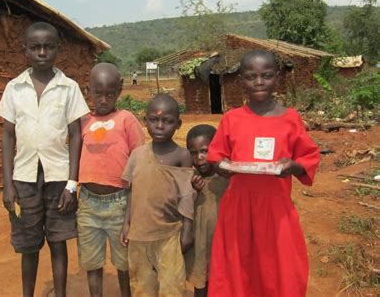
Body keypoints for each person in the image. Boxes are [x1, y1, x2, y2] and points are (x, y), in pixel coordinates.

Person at [207, 50, 320, 297]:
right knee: (238, 268)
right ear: (241, 81)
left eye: (266, 76)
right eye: (251, 77)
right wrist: (223, 167)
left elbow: (307, 159)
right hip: (238, 208)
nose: (259, 82)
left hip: (276, 210)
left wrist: (292, 166)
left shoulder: (290, 119)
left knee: (278, 269)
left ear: (277, 78)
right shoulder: (232, 119)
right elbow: (216, 156)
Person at [0, 22, 89, 297]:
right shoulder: (14, 88)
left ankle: (59, 294)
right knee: (29, 243)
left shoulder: (68, 87)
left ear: (58, 49)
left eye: (48, 47)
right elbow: (7, 136)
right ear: (24, 50)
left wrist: (72, 183)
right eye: (35, 47)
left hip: (59, 177)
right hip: (24, 177)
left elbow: (76, 135)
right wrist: (7, 184)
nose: (42, 52)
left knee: (58, 240)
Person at [77, 62, 145, 297]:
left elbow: (139, 162)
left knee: (123, 263)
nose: (104, 99)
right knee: (92, 262)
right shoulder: (82, 121)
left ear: (120, 91)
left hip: (119, 203)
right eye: (98, 94)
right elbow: (74, 155)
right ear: (88, 91)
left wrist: (131, 214)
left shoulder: (127, 120)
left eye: (110, 94)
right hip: (87, 203)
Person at [120, 93, 196, 296]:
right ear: (145, 122)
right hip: (139, 234)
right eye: (154, 120)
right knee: (142, 286)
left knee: (172, 286)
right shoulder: (137, 155)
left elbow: (187, 197)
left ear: (178, 124)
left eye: (167, 121)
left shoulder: (182, 156)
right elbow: (131, 191)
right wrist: (126, 224)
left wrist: (187, 228)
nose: (160, 126)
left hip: (170, 233)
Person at [185, 124, 229, 297]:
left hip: (223, 244)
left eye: (205, 151)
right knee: (200, 282)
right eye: (193, 153)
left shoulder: (227, 178)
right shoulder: (189, 177)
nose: (199, 158)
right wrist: (194, 191)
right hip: (200, 244)